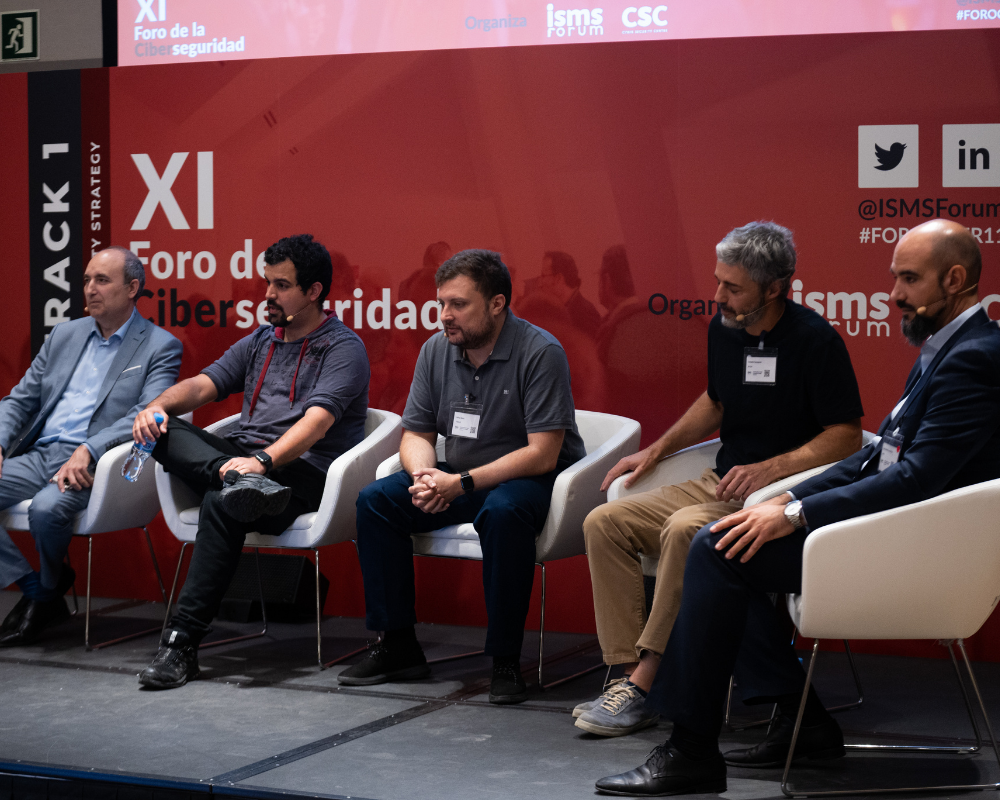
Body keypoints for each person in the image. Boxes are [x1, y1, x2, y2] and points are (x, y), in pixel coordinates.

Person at [596, 219, 1000, 796]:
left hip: (916, 551)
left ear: (955, 280)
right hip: (890, 531)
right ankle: (800, 722)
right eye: (895, 278)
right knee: (727, 547)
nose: (894, 294)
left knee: (716, 549)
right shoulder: (944, 347)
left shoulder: (975, 358)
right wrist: (790, 497)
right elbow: (879, 456)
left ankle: (692, 749)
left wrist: (792, 514)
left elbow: (915, 478)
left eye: (909, 279)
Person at [575, 221, 864, 738]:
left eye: (732, 288)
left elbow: (846, 435)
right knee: (604, 522)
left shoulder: (814, 340)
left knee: (685, 529)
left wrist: (772, 468)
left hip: (774, 497)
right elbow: (716, 400)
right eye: (718, 282)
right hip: (720, 481)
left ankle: (648, 682)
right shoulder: (724, 328)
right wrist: (657, 450)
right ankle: (625, 677)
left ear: (773, 289)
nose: (718, 297)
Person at [341, 249, 587, 704]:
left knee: (504, 512)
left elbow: (542, 454)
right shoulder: (436, 350)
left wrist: (461, 483)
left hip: (530, 480)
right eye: (441, 304)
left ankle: (505, 660)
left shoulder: (540, 352)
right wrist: (425, 477)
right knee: (376, 501)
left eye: (458, 304)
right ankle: (398, 644)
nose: (445, 315)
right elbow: (416, 433)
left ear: (497, 304)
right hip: (458, 475)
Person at [133, 234, 370, 689]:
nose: (268, 294)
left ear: (314, 291)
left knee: (222, 503)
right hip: (243, 465)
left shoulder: (342, 348)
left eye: (281, 285)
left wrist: (263, 461)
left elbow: (317, 423)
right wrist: (157, 406)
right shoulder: (262, 340)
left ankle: (180, 645)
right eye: (267, 282)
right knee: (159, 430)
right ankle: (231, 479)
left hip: (302, 475)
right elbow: (203, 385)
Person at [0, 247, 182, 646]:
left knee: (47, 510)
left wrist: (90, 449)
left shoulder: (160, 346)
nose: (90, 289)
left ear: (132, 288)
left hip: (96, 461)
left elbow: (146, 412)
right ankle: (39, 589)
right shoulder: (64, 335)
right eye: (86, 280)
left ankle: (44, 592)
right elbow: (20, 399)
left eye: (102, 280)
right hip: (39, 454)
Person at [528, 251, 602, 336]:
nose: (540, 283)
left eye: (543, 276)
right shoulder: (561, 310)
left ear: (558, 278)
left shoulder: (585, 314)